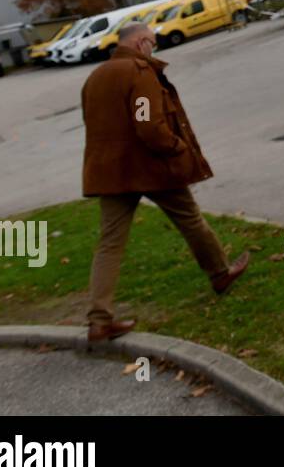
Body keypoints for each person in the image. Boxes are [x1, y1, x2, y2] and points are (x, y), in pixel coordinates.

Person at [81, 21, 249, 341]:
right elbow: (147, 125)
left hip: (112, 175)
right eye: (153, 44)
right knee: (191, 220)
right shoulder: (139, 72)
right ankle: (220, 274)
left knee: (109, 244)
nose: (153, 49)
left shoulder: (95, 77)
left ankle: (98, 320)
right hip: (152, 170)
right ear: (142, 42)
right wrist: (177, 147)